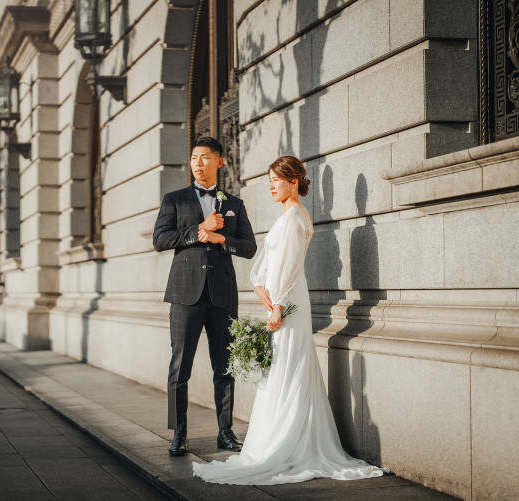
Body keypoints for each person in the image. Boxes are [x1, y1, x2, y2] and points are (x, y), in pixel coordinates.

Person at [192, 156, 389, 484]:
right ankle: (277, 440)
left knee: (289, 368)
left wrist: (278, 305)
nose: (271, 185)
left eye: (276, 180)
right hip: (283, 301)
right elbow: (268, 261)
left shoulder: (295, 217)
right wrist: (259, 285)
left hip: (289, 304)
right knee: (282, 368)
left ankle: (289, 444)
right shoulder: (287, 217)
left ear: (294, 182)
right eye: (269, 180)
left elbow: (289, 265)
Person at [153, 136, 257, 457]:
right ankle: (179, 433)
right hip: (185, 293)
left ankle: (225, 432)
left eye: (205, 158)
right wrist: (198, 231)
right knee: (179, 367)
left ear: (219, 162)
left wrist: (219, 237)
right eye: (194, 158)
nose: (198, 164)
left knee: (225, 366)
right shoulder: (175, 199)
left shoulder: (234, 204)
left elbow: (249, 247)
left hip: (223, 295)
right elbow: (160, 239)